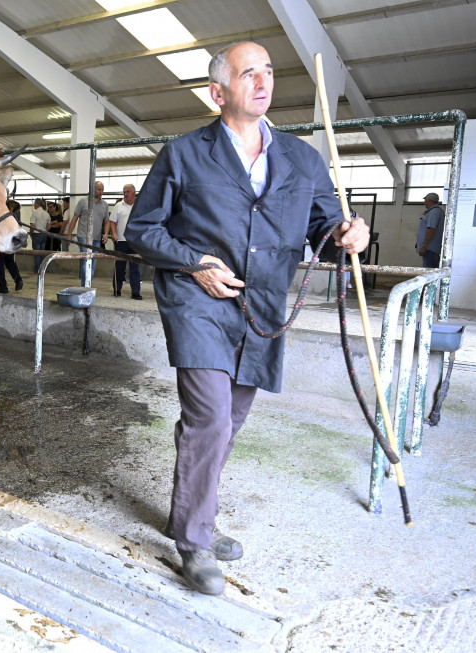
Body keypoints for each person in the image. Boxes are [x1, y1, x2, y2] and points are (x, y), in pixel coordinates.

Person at [125, 42, 369, 596]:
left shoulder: (304, 159)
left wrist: (350, 234)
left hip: (260, 307)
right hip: (198, 301)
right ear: (218, 92)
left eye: (268, 72)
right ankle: (194, 542)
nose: (262, 82)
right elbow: (141, 230)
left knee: (228, 423)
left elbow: (326, 231)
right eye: (247, 73)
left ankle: (193, 513)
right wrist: (194, 264)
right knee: (210, 419)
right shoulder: (184, 154)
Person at [64, 182, 109, 286]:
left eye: (102, 189)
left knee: (94, 261)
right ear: (92, 189)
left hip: (97, 237)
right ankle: (85, 285)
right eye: (99, 189)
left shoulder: (105, 205)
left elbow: (107, 221)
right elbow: (75, 218)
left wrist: (106, 234)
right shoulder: (83, 202)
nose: (101, 192)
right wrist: (69, 235)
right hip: (83, 235)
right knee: (85, 259)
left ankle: (86, 284)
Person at [106, 183, 142, 299]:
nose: (125, 194)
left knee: (134, 268)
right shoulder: (118, 205)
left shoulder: (140, 206)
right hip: (120, 241)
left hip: (135, 242)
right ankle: (117, 289)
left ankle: (135, 292)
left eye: (127, 192)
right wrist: (114, 233)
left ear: (134, 193)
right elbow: (112, 221)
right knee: (119, 267)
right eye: (124, 192)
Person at [0, 199, 23, 293]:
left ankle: (3, 287)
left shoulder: (8, 215)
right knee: (10, 262)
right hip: (12, 244)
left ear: (11, 208)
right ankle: (18, 280)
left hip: (4, 243)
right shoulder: (16, 215)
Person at [416, 192, 445, 268]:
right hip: (431, 249)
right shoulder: (436, 212)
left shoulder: (434, 212)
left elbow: (431, 229)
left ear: (429, 200)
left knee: (428, 272)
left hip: (430, 249)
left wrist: (424, 246)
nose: (424, 202)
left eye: (425, 200)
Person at [28, 197, 50, 272]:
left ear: (37, 204)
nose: (34, 205)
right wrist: (45, 230)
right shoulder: (47, 214)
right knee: (42, 252)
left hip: (36, 234)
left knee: (36, 253)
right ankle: (43, 269)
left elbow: (32, 225)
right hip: (44, 234)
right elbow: (48, 225)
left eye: (34, 203)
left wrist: (31, 233)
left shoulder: (35, 213)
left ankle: (37, 270)